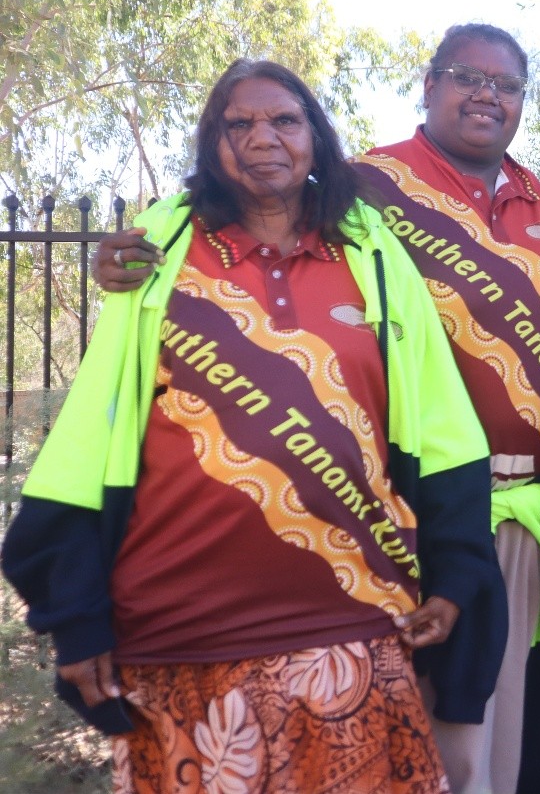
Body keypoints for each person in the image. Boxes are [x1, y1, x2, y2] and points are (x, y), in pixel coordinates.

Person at [90, 25, 540, 794]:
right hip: (412, 514)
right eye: (468, 75)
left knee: (519, 738)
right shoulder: (365, 187)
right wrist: (129, 252)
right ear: (428, 85)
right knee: (425, 730)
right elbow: (227, 214)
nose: (487, 94)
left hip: (524, 512)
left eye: (507, 84)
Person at [3, 58, 502, 792]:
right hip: (179, 641)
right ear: (213, 145)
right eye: (239, 124)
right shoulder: (157, 259)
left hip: (353, 629)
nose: (263, 137)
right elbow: (91, 440)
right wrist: (74, 616)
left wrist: (456, 574)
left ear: (316, 140)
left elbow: (442, 423)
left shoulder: (374, 258)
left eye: (285, 120)